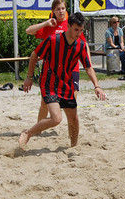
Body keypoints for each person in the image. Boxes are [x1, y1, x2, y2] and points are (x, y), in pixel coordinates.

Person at [19, 13, 106, 148]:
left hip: (66, 85)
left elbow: (88, 67)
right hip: (49, 84)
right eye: (76, 29)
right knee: (56, 119)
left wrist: (97, 86)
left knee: (74, 119)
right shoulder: (53, 40)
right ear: (69, 26)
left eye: (81, 30)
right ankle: (28, 133)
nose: (79, 33)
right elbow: (34, 56)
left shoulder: (81, 45)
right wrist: (29, 78)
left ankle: (73, 146)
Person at [25, 0, 90, 123]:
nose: (61, 11)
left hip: (71, 69)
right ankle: (39, 127)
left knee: (72, 99)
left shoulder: (72, 25)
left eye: (63, 9)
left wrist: (88, 64)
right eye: (58, 9)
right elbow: (28, 31)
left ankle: (70, 127)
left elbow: (84, 44)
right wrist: (46, 23)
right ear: (53, 11)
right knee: (44, 102)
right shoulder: (50, 25)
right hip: (51, 69)